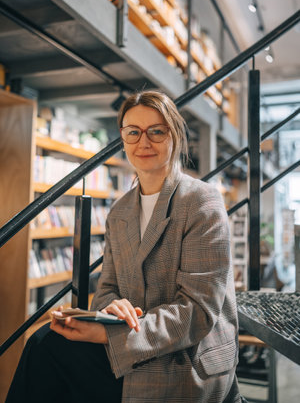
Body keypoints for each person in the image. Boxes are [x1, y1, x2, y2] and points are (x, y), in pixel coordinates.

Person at [6, 91, 241, 403]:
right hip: (132, 343)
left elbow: (197, 312)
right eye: (133, 132)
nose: (144, 142)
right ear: (123, 138)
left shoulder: (201, 201)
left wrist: (110, 333)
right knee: (43, 343)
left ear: (174, 135)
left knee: (55, 361)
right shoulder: (120, 211)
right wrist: (110, 309)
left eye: (156, 131)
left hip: (185, 358)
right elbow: (107, 288)